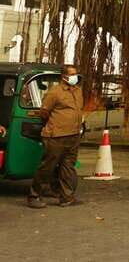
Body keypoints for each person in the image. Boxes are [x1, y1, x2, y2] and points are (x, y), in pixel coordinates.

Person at [27, 64, 85, 209]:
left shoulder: (78, 91)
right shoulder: (55, 92)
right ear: (64, 77)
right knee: (47, 167)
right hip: (56, 136)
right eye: (72, 74)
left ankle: (66, 197)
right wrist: (55, 124)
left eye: (76, 74)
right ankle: (34, 196)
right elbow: (44, 112)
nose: (75, 77)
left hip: (73, 135)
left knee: (68, 167)